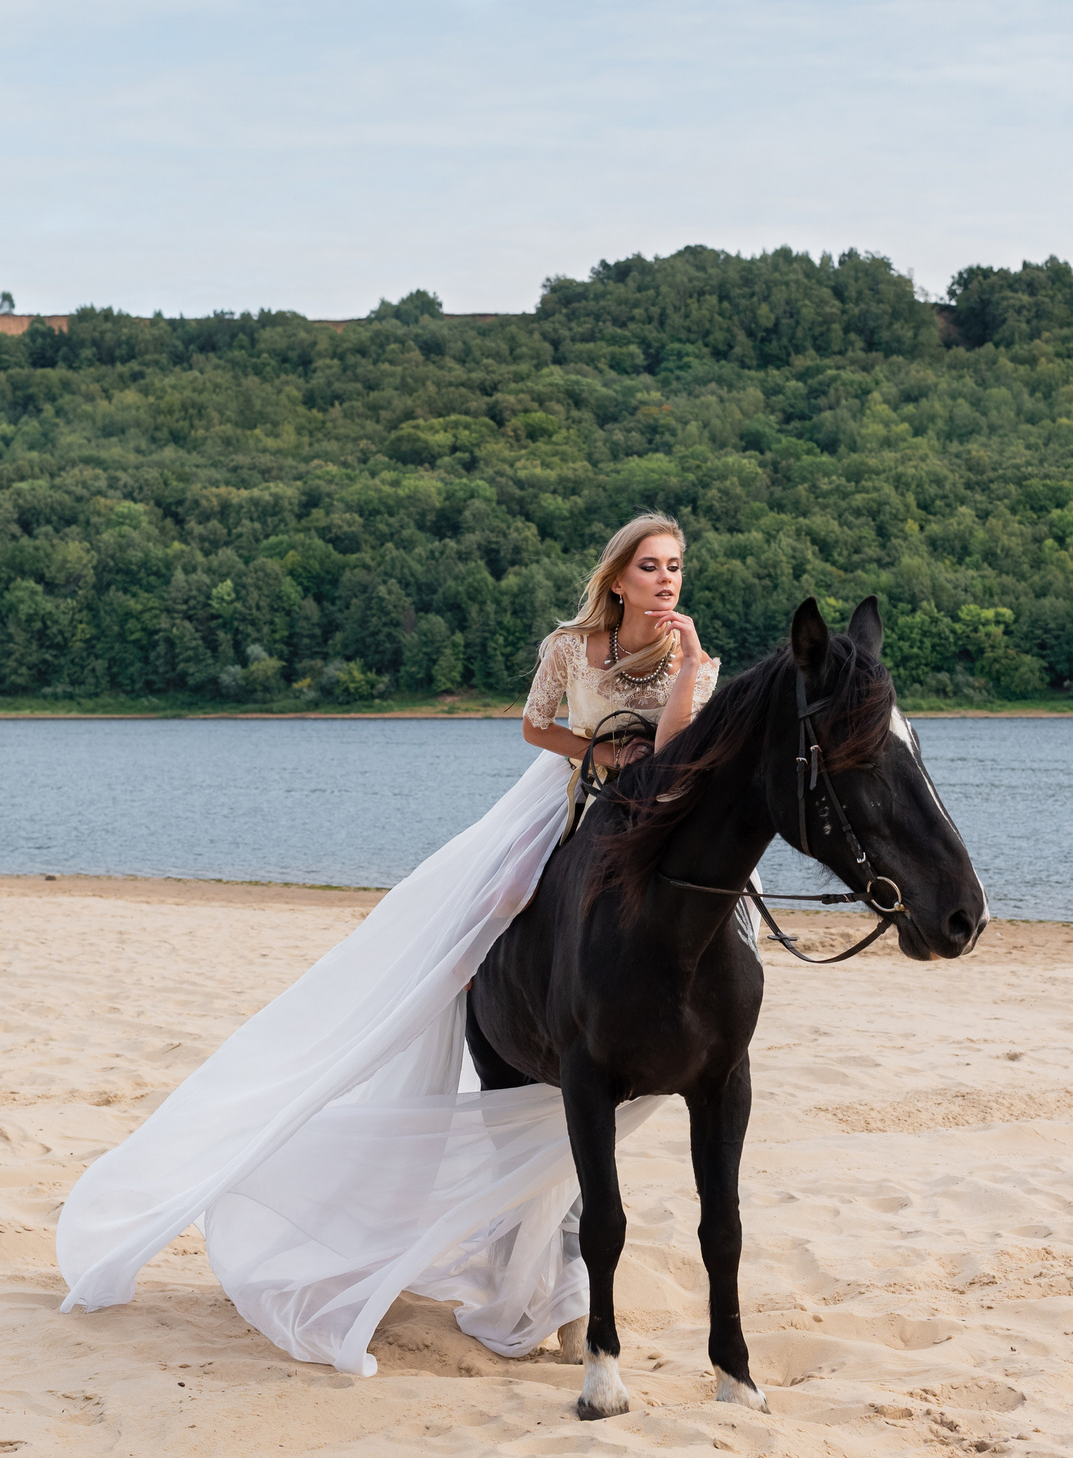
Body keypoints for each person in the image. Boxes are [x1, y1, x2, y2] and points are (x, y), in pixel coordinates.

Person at [56, 514, 719, 1376]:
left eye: (676, 567)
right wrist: (593, 749)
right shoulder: (571, 645)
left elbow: (674, 747)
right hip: (567, 796)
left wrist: (694, 662)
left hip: (645, 811)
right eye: (652, 567)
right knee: (498, 901)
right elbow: (533, 727)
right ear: (620, 578)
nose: (667, 581)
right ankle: (471, 989)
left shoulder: (687, 658)